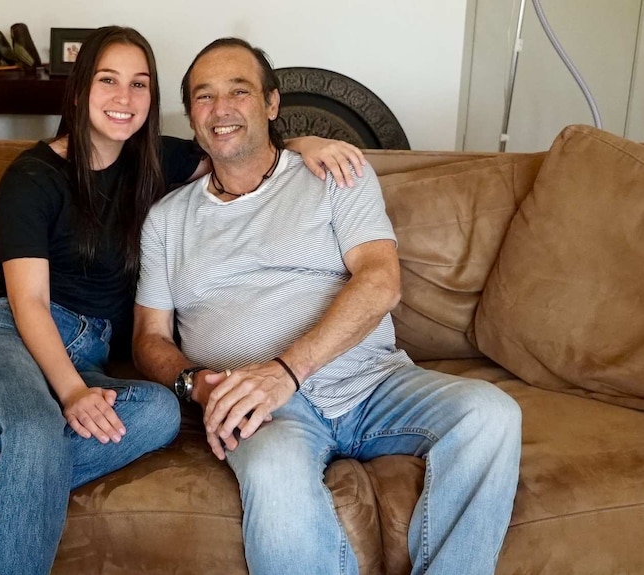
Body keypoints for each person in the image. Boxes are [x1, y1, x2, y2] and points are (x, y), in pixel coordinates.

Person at [0, 26, 368, 575]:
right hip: (1, 341)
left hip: (86, 356)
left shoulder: (157, 160)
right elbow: (28, 305)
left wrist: (306, 145)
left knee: (160, 411)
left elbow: (242, 146)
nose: (124, 97)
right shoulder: (33, 176)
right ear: (78, 92)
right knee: (31, 431)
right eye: (107, 80)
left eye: (139, 84)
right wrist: (72, 393)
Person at [133, 37, 522, 575]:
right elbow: (149, 338)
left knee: (491, 413)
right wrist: (200, 385)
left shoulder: (335, 173)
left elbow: (382, 281)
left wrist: (287, 370)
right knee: (271, 469)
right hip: (257, 404)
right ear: (192, 116)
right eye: (204, 97)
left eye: (238, 91)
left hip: (372, 382)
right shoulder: (167, 219)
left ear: (271, 105)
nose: (221, 109)